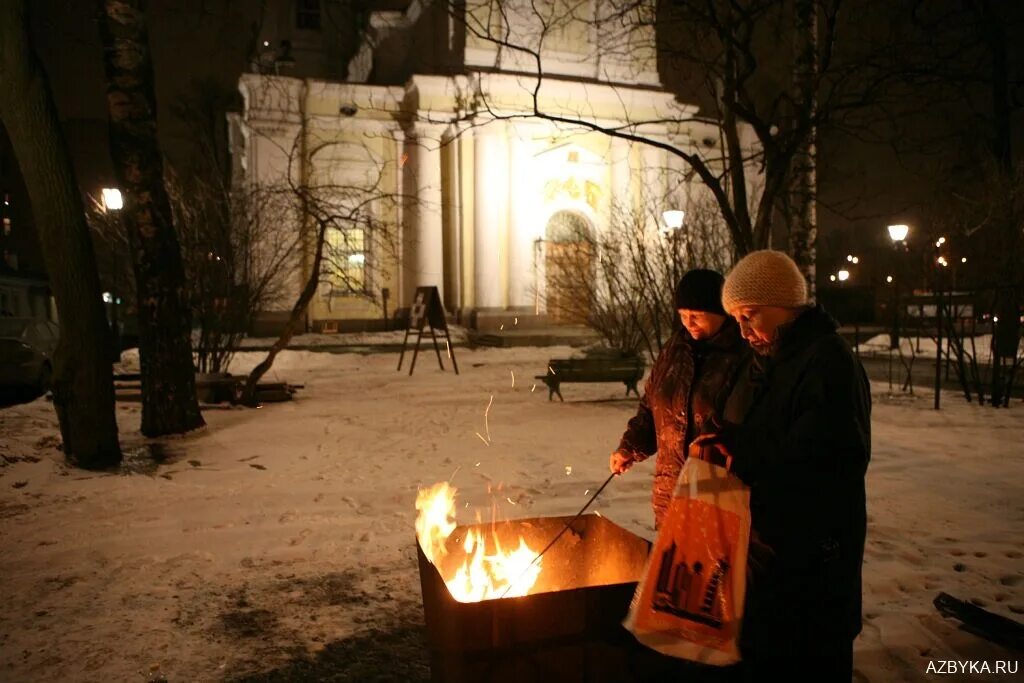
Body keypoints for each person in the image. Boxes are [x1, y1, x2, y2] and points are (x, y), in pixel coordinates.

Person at [695, 250, 871, 681]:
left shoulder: (827, 361)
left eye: (750, 316)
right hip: (771, 556)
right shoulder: (774, 358)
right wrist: (726, 441)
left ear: (786, 304)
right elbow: (771, 433)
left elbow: (829, 458)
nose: (744, 330)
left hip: (814, 566)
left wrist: (746, 456)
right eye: (736, 318)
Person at [609, 269, 749, 530]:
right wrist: (630, 446)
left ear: (720, 312)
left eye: (696, 315)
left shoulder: (741, 355)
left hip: (717, 497)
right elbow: (651, 408)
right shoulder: (674, 350)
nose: (689, 323)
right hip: (669, 495)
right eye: (683, 316)